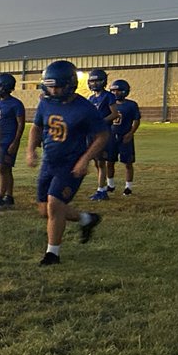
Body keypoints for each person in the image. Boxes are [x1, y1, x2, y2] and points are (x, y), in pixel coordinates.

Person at [26, 61, 108, 265]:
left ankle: (52, 254)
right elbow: (36, 127)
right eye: (50, 86)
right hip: (49, 162)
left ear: (69, 84)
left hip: (70, 164)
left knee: (55, 205)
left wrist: (85, 159)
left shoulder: (84, 108)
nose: (53, 90)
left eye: (57, 86)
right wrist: (30, 150)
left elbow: (102, 135)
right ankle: (87, 219)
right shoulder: (46, 102)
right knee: (44, 211)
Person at [0, 73, 26, 210]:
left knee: (3, 169)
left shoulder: (15, 104)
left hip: (8, 140)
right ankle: (9, 197)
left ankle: (0, 196)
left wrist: (15, 142)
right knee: (6, 169)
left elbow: (20, 124)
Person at [86, 68, 121, 201]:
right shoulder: (91, 98)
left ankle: (102, 190)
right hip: (92, 133)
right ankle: (102, 187)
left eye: (96, 81)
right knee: (96, 162)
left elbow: (114, 113)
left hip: (103, 132)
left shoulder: (108, 96)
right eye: (91, 81)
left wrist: (101, 121)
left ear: (103, 81)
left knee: (101, 162)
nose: (94, 84)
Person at [107, 79, 141, 195]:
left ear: (125, 91)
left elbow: (136, 121)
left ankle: (128, 187)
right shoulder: (110, 104)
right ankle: (110, 185)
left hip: (125, 136)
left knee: (128, 163)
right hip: (111, 136)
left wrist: (130, 133)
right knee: (109, 162)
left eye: (118, 91)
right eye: (113, 91)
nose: (115, 93)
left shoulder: (131, 105)